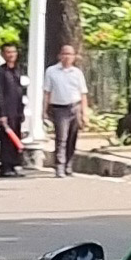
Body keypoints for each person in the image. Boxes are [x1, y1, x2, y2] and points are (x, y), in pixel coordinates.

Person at [43, 45, 88, 178]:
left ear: (74, 57)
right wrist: (44, 110)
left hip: (75, 107)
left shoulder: (77, 73)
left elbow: (83, 94)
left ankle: (68, 165)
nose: (67, 57)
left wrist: (84, 113)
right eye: (65, 54)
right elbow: (47, 92)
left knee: (72, 138)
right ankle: (59, 166)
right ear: (60, 56)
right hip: (59, 108)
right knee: (61, 138)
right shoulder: (51, 71)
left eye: (70, 54)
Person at [0, 43, 25, 178]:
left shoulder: (19, 70)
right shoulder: (0, 72)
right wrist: (2, 113)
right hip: (6, 110)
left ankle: (13, 165)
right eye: (8, 52)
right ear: (3, 54)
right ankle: (5, 166)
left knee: (15, 137)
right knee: (6, 139)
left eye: (13, 52)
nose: (11, 55)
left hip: (18, 110)